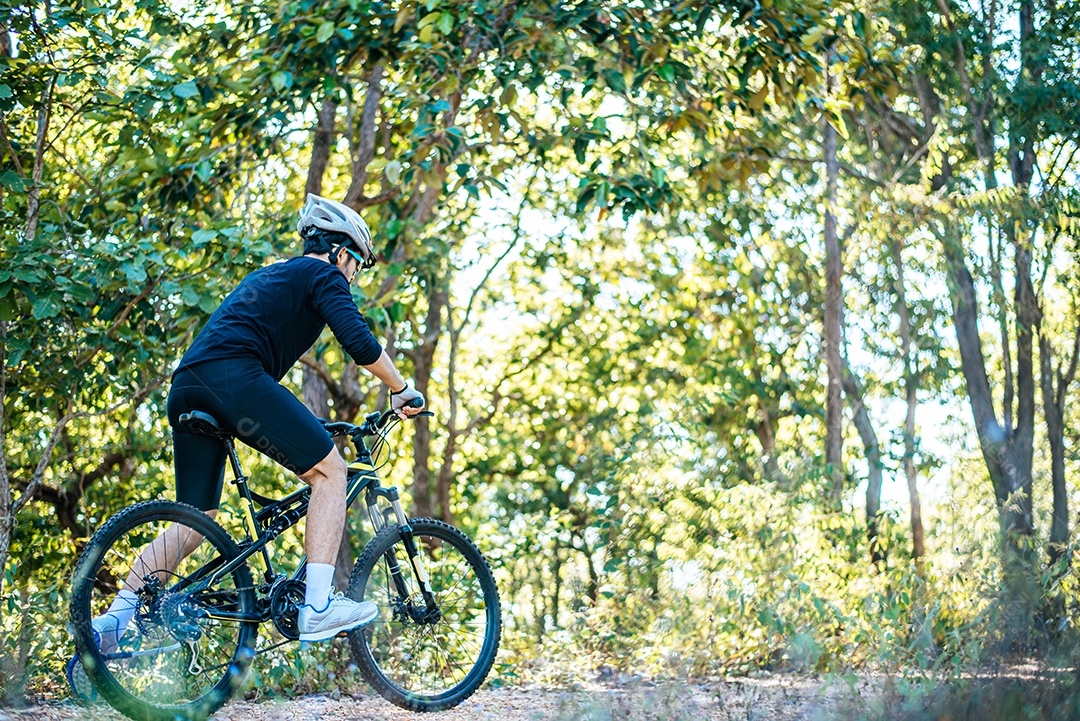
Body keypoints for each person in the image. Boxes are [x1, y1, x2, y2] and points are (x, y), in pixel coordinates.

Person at [91, 195, 424, 648]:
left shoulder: (274, 275)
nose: (354, 276)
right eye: (358, 265)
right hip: (234, 378)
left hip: (189, 384)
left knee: (196, 518)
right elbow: (359, 343)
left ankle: (113, 623)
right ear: (341, 252)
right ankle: (319, 606)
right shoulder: (322, 272)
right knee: (331, 472)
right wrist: (402, 388)